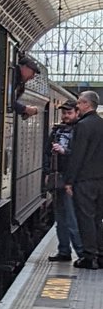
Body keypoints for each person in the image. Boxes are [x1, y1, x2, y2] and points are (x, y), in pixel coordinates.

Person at [64, 90, 103, 269]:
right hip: (100, 180)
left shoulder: (83, 125)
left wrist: (69, 181)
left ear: (87, 104)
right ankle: (101, 254)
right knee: (97, 218)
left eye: (79, 103)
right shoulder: (101, 124)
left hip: (85, 180)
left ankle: (89, 256)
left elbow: (77, 156)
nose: (77, 106)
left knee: (85, 218)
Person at [46, 100, 82, 260]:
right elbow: (46, 152)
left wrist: (64, 151)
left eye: (69, 113)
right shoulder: (56, 131)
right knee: (60, 217)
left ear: (77, 113)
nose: (66, 116)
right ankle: (64, 251)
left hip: (72, 179)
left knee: (72, 217)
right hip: (57, 177)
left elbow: (80, 155)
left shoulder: (80, 130)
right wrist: (47, 172)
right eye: (64, 113)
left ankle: (81, 252)